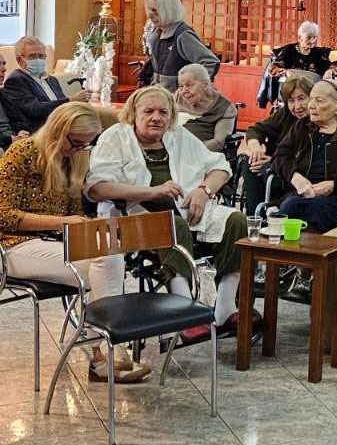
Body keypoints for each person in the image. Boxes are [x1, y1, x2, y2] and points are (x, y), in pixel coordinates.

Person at [86, 86, 253, 343]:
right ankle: (183, 308)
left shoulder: (177, 135)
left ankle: (226, 307)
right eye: (149, 111)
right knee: (171, 224)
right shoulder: (115, 138)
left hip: (187, 210)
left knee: (236, 220)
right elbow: (97, 188)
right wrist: (152, 192)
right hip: (130, 216)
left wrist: (203, 191)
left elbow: (220, 167)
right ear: (133, 113)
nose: (156, 117)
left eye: (163, 112)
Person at [0, 104, 150, 383]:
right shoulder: (22, 152)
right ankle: (105, 351)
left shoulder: (73, 159)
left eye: (86, 144)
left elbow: (73, 213)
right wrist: (62, 222)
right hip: (12, 245)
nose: (80, 149)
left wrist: (86, 226)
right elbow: (3, 215)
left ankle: (101, 353)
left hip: (53, 241)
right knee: (105, 266)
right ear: (58, 131)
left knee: (109, 257)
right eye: (77, 142)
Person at [271, 79, 337, 234]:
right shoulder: (302, 126)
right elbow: (280, 157)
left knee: (313, 211)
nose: (311, 105)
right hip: (300, 193)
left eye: (319, 100)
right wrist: (296, 178)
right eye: (311, 99)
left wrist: (334, 185)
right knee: (290, 206)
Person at [238, 76, 313, 215]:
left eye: (302, 99)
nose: (297, 106)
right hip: (276, 164)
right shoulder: (285, 114)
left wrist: (272, 163)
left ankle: (263, 213)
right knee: (251, 163)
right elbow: (257, 129)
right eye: (291, 100)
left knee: (263, 169)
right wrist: (255, 147)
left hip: (296, 172)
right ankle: (255, 216)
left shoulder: (317, 120)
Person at [140, 0, 220, 92]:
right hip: (161, 96)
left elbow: (210, 62)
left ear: (168, 10)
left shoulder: (183, 35)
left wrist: (191, 88)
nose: (150, 16)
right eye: (149, 11)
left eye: (155, 11)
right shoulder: (156, 34)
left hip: (179, 99)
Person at [3, 36, 87, 134]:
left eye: (41, 56)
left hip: (62, 125)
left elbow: (63, 105)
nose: (38, 60)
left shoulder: (51, 79)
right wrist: (70, 100)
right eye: (32, 56)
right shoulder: (16, 80)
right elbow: (34, 109)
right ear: (19, 60)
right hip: (40, 131)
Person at [256, 21, 332, 108]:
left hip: (312, 95)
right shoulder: (288, 51)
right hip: (291, 92)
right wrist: (285, 72)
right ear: (300, 38)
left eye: (314, 37)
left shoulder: (319, 53)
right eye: (309, 37)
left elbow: (331, 66)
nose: (312, 40)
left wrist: (329, 70)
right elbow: (273, 69)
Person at [175, 64, 237, 153]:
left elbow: (219, 143)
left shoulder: (224, 108)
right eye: (181, 86)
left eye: (189, 85)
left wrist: (187, 151)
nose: (183, 91)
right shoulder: (178, 97)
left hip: (199, 154)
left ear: (205, 85)